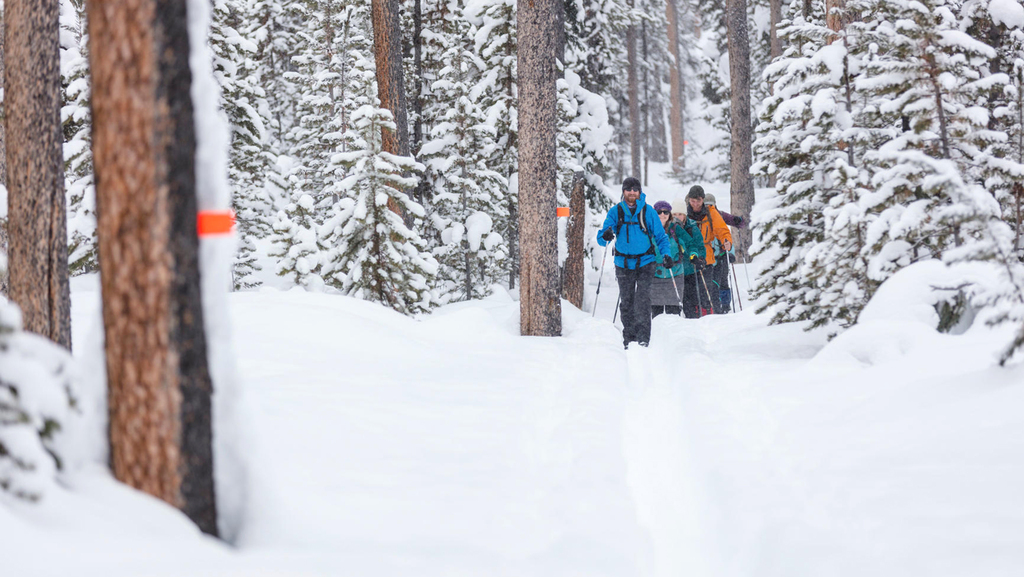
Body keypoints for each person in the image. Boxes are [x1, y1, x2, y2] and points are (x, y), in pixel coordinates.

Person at [597, 177, 673, 348]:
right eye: (628, 189)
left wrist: (666, 255)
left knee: (643, 299)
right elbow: (602, 238)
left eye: (635, 189)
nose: (632, 192)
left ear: (640, 192)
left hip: (646, 261)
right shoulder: (616, 211)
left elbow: (661, 237)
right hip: (623, 263)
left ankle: (643, 337)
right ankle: (629, 337)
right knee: (627, 301)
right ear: (623, 191)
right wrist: (606, 235)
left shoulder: (648, 211)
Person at [651, 200, 704, 318]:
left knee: (673, 313)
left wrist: (693, 255)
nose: (662, 215)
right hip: (655, 275)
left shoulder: (675, 228)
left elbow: (690, 243)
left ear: (669, 214)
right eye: (659, 212)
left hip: (675, 273)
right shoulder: (649, 229)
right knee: (656, 313)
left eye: (666, 212)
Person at [686, 185, 732, 314]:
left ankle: (708, 315)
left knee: (706, 290)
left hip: (706, 256)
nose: (695, 204)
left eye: (698, 201)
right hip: (688, 257)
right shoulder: (684, 212)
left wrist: (727, 241)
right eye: (692, 201)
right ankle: (692, 316)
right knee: (690, 292)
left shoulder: (710, 212)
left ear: (703, 200)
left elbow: (722, 229)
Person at [704, 193, 747, 312]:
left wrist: (738, 221)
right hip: (709, 256)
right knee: (712, 282)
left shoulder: (720, 215)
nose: (709, 208)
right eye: (706, 205)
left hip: (722, 255)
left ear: (715, 204)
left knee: (723, 281)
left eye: (711, 205)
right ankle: (714, 306)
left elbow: (729, 234)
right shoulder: (700, 218)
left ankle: (725, 305)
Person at [671, 198, 711, 318]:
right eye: (674, 214)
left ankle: (693, 320)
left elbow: (700, 246)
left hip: (690, 270)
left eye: (680, 214)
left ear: (685, 215)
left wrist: (700, 259)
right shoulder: (669, 228)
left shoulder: (692, 227)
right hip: (675, 271)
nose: (677, 217)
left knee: (691, 300)